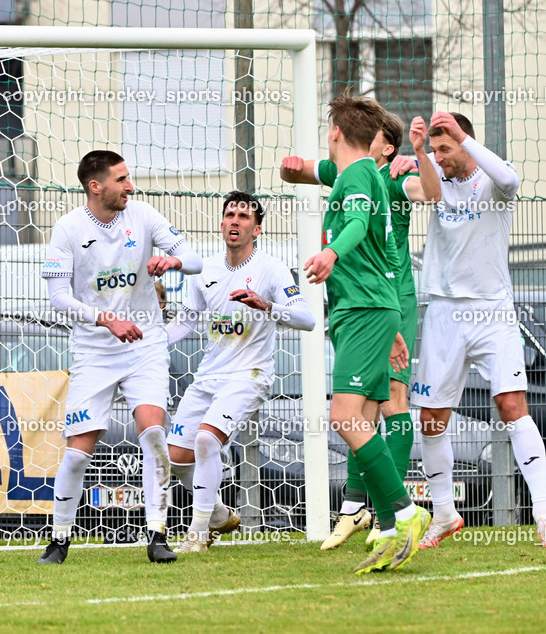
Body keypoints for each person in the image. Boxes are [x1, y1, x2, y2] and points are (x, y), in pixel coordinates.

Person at [37, 150, 203, 564]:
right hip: (95, 351)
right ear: (96, 186)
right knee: (78, 452)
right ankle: (59, 539)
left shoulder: (144, 215)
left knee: (153, 436)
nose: (130, 186)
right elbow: (58, 298)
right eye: (122, 179)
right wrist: (106, 319)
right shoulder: (68, 229)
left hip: (145, 345)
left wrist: (174, 260)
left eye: (129, 178)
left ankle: (157, 535)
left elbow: (196, 260)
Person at [281, 110, 432, 549]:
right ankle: (386, 525)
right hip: (365, 309)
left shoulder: (360, 177)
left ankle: (403, 512)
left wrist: (330, 253)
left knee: (346, 416)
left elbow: (357, 225)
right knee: (360, 415)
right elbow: (368, 237)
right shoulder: (355, 173)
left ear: (336, 133)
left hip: (367, 308)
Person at [405, 112, 546, 548]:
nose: (441, 157)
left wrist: (463, 137)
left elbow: (510, 177)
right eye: (436, 149)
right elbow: (422, 192)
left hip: (492, 312)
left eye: (446, 149)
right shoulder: (432, 178)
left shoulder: (492, 182)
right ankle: (444, 514)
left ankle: (543, 513)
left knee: (510, 404)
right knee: (431, 419)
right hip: (445, 314)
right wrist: (417, 154)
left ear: (465, 144)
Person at [164, 191, 315, 553]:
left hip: (250, 375)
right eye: (230, 214)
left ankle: (197, 536)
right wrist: (150, 344)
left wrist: (268, 305)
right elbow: (187, 320)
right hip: (208, 377)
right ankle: (217, 513)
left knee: (205, 441)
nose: (235, 220)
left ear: (257, 229)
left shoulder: (272, 269)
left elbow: (308, 319)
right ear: (221, 224)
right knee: (174, 458)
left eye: (244, 217)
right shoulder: (206, 269)